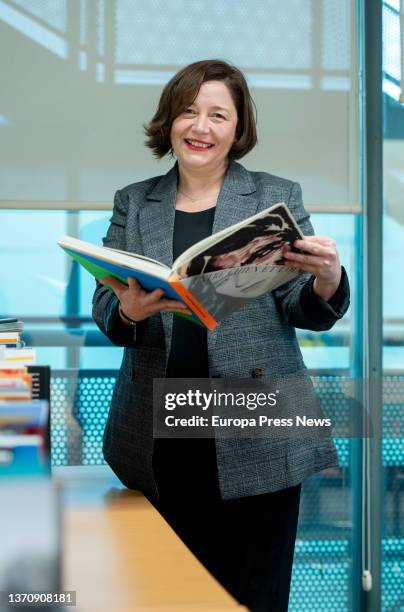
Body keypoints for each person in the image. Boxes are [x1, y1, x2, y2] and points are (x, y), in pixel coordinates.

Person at [92, 59, 350, 612]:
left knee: (252, 598)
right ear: (169, 122)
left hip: (255, 435)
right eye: (188, 111)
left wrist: (327, 280)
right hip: (158, 440)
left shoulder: (273, 197)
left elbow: (298, 303)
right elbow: (106, 309)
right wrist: (131, 311)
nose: (200, 127)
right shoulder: (134, 202)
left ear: (238, 128)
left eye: (217, 114)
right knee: (157, 597)